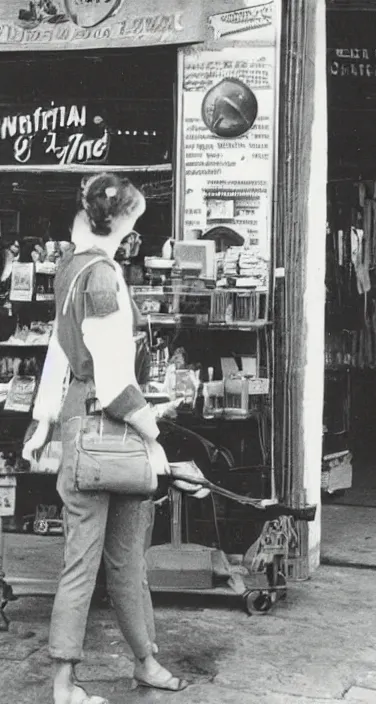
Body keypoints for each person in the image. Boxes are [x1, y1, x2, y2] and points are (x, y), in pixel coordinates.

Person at [23, 173, 190, 704]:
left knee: (114, 558)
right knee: (101, 561)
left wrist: (43, 418)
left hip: (79, 429)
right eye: (134, 222)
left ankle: (143, 662)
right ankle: (65, 685)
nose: (135, 232)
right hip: (109, 431)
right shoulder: (105, 278)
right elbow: (116, 384)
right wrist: (156, 437)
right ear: (119, 222)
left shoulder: (71, 269)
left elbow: (57, 348)